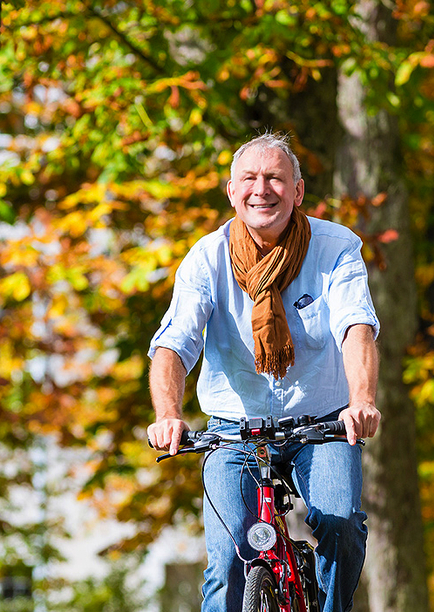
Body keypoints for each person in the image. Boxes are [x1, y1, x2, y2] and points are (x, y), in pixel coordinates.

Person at [146, 131, 380, 612]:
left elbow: (355, 325)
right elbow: (174, 342)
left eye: (275, 177)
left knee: (340, 522)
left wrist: (361, 401)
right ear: (231, 192)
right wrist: (168, 414)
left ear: (297, 191)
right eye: (248, 179)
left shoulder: (335, 247)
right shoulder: (206, 258)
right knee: (230, 556)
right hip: (235, 430)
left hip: (322, 423)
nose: (262, 189)